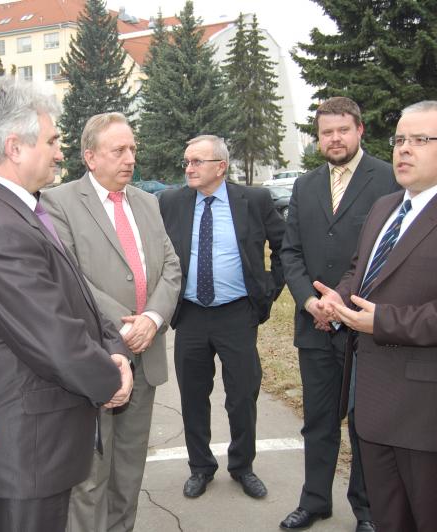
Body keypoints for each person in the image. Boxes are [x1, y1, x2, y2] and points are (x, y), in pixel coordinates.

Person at [0, 76, 133, 532]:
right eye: (51, 140)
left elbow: (75, 298)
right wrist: (111, 378)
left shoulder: (14, 210)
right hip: (25, 454)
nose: (59, 152)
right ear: (15, 147)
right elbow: (54, 337)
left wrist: (115, 348)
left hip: (33, 449)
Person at [315, 101, 437, 532]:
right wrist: (339, 298)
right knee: (389, 519)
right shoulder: (385, 208)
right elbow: (362, 271)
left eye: (420, 140)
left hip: (431, 411)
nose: (403, 149)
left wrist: (383, 322)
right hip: (374, 402)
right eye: (400, 139)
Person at [41, 112, 181, 532]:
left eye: (133, 149)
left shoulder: (148, 202)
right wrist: (124, 328)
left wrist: (152, 319)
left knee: (129, 471)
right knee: (90, 477)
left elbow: (171, 266)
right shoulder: (58, 202)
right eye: (119, 150)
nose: (130, 158)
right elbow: (69, 277)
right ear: (90, 157)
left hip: (146, 355)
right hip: (96, 357)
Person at [279, 97, 398, 532]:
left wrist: (342, 305)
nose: (334, 139)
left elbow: (392, 252)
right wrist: (309, 302)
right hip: (314, 325)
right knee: (319, 421)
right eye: (326, 132)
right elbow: (290, 252)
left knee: (365, 424)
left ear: (360, 130)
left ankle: (366, 510)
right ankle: (314, 502)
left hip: (362, 327)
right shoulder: (305, 185)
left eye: (342, 130)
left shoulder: (388, 179)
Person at [158, 135, 284, 501]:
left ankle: (242, 466)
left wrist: (269, 290)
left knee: (242, 395)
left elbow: (285, 245)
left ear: (221, 167)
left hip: (237, 314)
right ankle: (200, 467)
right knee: (193, 395)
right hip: (191, 315)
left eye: (197, 161)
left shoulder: (254, 201)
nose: (189, 168)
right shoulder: (171, 202)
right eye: (187, 161)